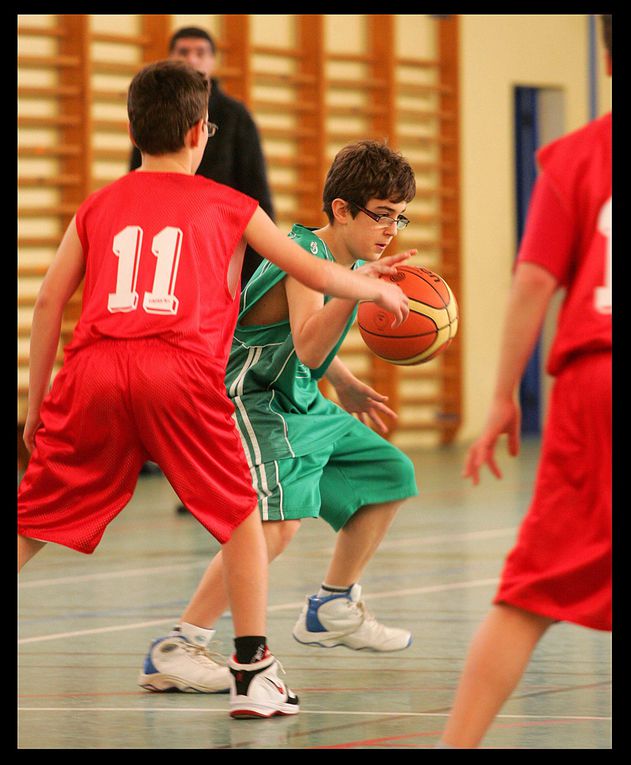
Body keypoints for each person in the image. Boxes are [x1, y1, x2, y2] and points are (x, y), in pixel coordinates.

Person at [17, 61, 411, 719]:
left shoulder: (99, 204)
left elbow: (49, 302)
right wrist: (372, 285)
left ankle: (215, 654)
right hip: (177, 368)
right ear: (201, 130)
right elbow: (310, 267)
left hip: (92, 369)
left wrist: (35, 406)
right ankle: (252, 669)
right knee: (242, 521)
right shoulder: (231, 205)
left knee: (32, 519)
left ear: (132, 129)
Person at [137, 139, 421, 696]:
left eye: (399, 217)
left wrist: (344, 382)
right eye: (381, 215)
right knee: (275, 526)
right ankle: (178, 644)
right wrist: (358, 293)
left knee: (389, 474)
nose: (392, 229)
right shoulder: (305, 256)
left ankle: (333, 606)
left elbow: (310, 354)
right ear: (341, 210)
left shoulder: (343, 261)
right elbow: (308, 345)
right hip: (248, 396)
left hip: (298, 395)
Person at [436, 15, 612, 749]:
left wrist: (502, 394)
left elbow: (532, 281)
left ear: (604, 57)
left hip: (592, 381)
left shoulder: (574, 157)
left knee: (529, 593)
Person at [129, 26, 273, 288]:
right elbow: (137, 178)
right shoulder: (152, 110)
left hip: (219, 244)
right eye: (184, 52)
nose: (192, 59)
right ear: (170, 58)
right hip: (165, 241)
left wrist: (251, 282)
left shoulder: (235, 115)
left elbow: (256, 189)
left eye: (200, 52)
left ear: (212, 61)